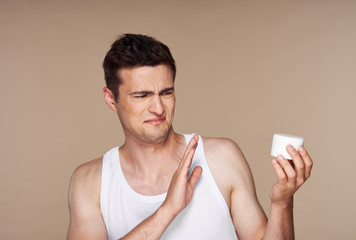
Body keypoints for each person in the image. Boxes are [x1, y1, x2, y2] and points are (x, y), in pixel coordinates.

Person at [66, 33, 313, 240]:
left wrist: (282, 203)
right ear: (111, 99)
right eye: (141, 96)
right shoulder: (90, 182)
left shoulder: (221, 158)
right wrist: (166, 211)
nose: (158, 108)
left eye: (166, 92)